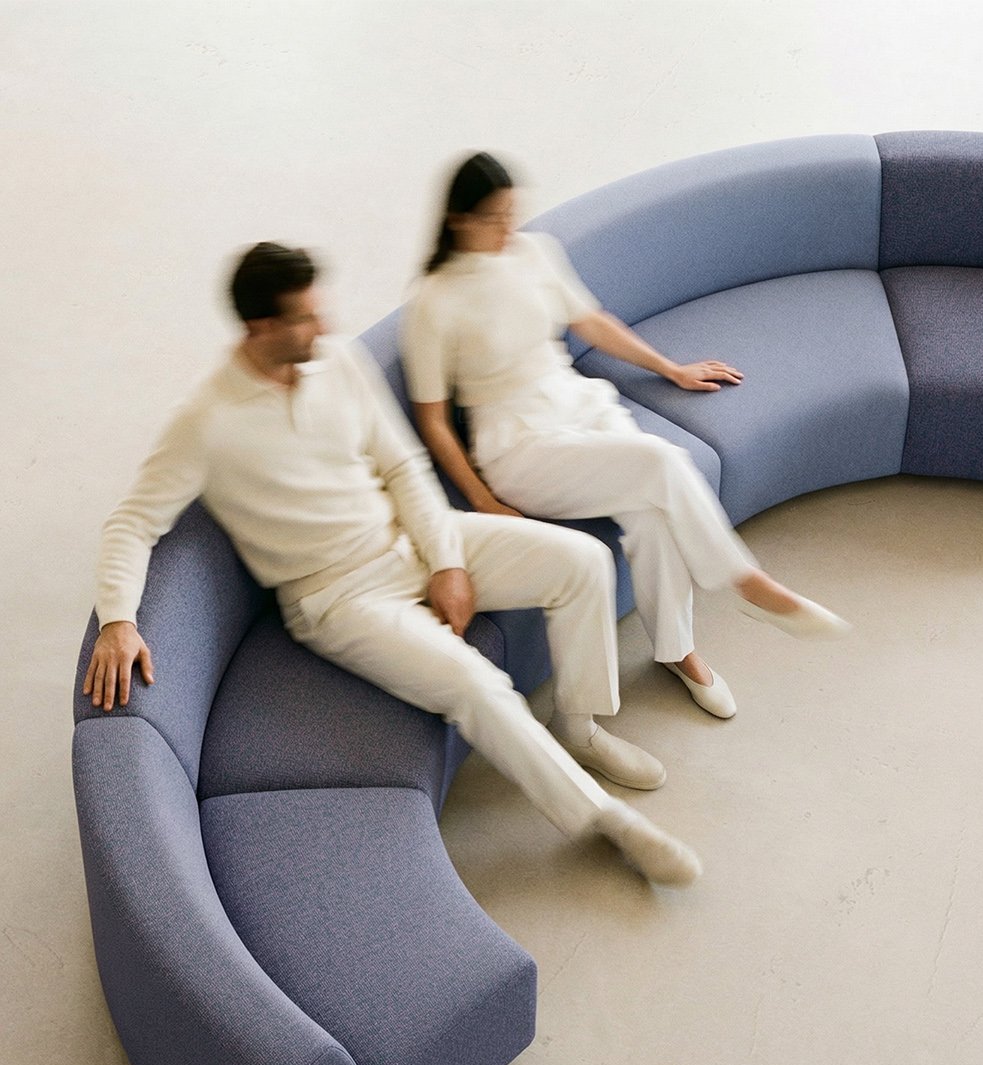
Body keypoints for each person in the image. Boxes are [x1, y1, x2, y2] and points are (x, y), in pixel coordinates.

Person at [83, 241, 702, 886]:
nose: (323, 326)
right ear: (260, 326)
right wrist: (119, 620)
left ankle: (578, 725)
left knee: (581, 562)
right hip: (338, 597)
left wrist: (446, 563)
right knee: (476, 686)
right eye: (304, 317)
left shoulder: (338, 362)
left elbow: (403, 466)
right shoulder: (205, 424)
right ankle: (606, 821)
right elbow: (132, 520)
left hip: (408, 540)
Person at [402, 153, 849, 721]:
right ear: (459, 220)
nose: (508, 227)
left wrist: (672, 368)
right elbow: (434, 422)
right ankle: (745, 581)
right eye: (494, 217)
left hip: (579, 406)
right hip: (519, 447)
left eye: (513, 212)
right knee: (661, 462)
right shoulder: (434, 300)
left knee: (653, 514)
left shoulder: (535, 252)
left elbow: (592, 322)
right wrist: (486, 501)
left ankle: (678, 652)